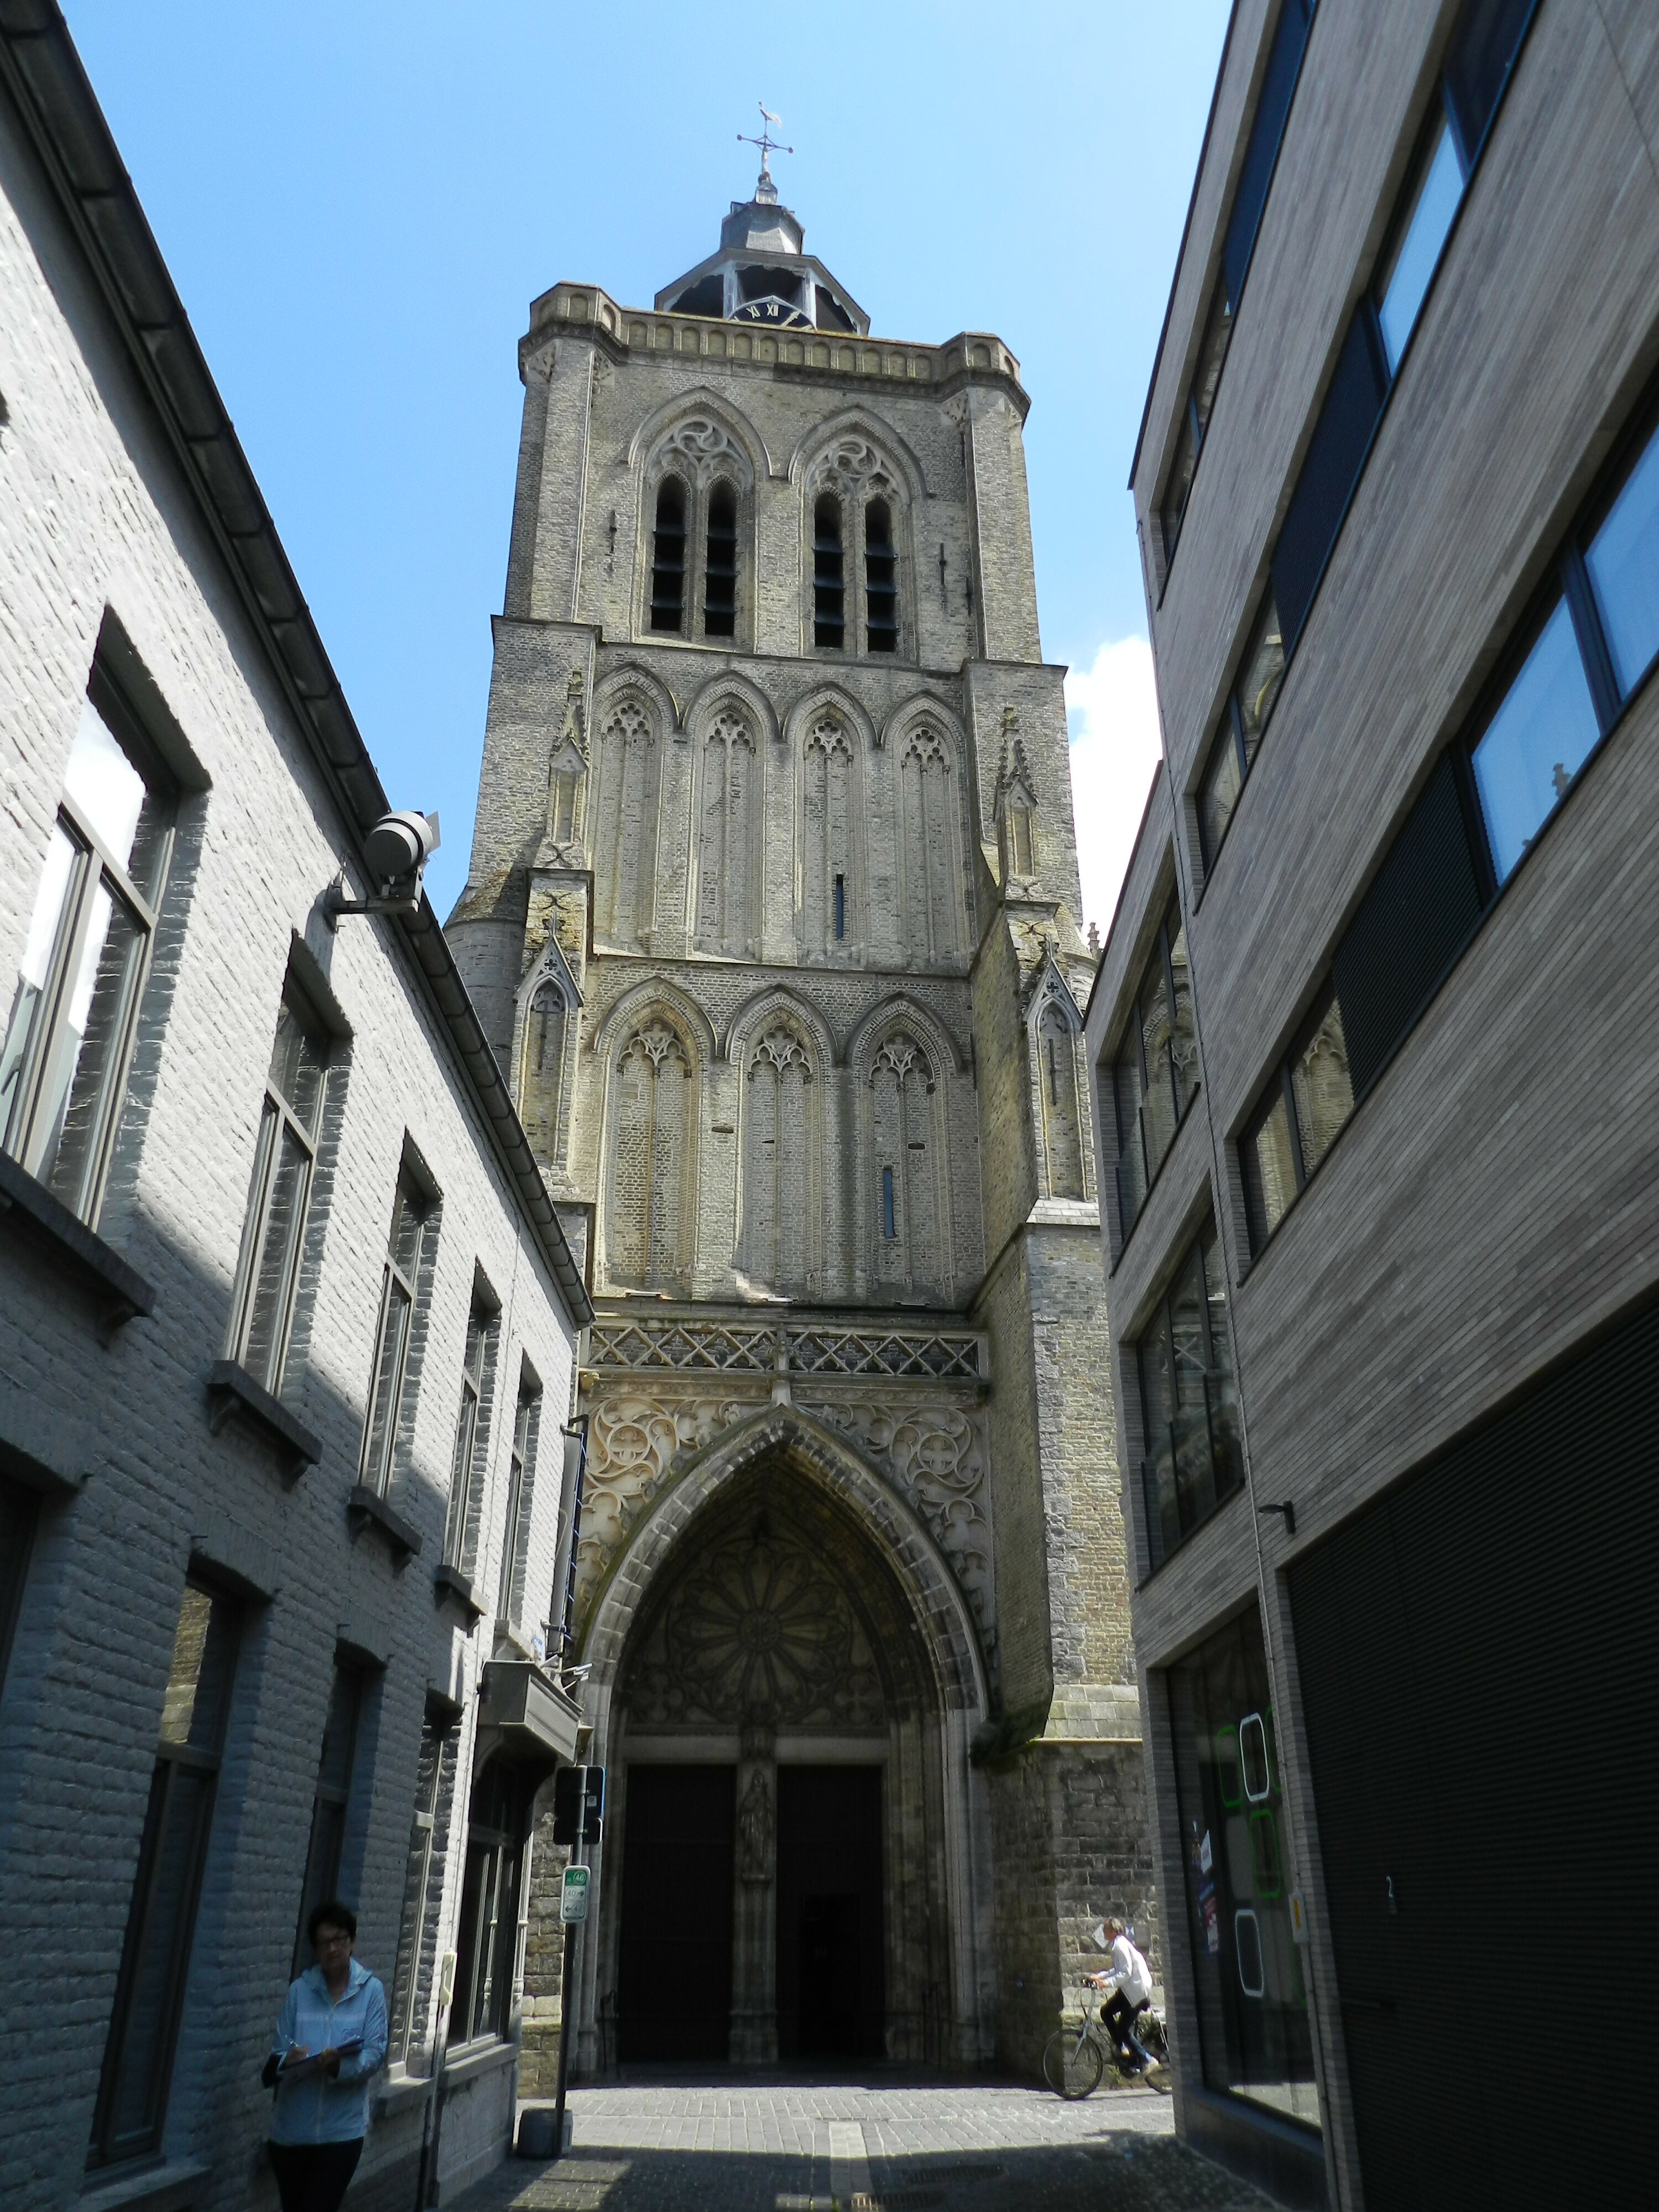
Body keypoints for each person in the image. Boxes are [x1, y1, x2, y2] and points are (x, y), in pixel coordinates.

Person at [263, 1900, 388, 2212]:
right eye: (324, 1943)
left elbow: (375, 2053)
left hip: (341, 2135)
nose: (332, 1949)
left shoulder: (371, 1992)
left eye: (339, 1940)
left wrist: (339, 2067)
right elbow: (279, 2050)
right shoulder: (299, 1992)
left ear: (352, 1942)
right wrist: (287, 2059)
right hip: (291, 2134)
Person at [1087, 1917, 1157, 2075]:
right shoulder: (1118, 1945)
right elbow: (1118, 1970)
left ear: (1113, 1931)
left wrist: (1107, 1983)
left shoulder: (1120, 1946)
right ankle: (1123, 2048)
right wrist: (1100, 1977)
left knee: (1123, 2029)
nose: (1104, 1932)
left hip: (1136, 1991)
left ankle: (1147, 2058)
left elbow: (1126, 1972)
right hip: (1129, 1990)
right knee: (1106, 2012)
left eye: (1106, 1930)